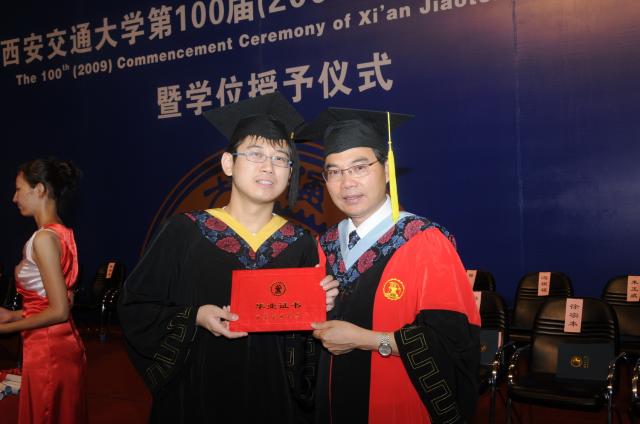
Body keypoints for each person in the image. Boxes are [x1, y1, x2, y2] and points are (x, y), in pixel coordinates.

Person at [118, 93, 339, 423]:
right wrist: (195, 316)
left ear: (290, 172)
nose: (268, 167)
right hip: (197, 397)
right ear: (228, 164)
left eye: (281, 158)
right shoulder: (184, 232)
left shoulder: (300, 243)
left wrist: (320, 306)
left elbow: (307, 347)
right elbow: (136, 307)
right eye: (255, 154)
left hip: (274, 399)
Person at [299, 108, 481, 424]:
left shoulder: (424, 240)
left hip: (399, 405)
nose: (347, 183)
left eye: (359, 167)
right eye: (335, 172)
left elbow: (453, 343)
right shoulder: (323, 245)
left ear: (386, 170)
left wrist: (366, 339)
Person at [0, 158, 87, 423]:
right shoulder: (63, 233)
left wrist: (5, 328)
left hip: (48, 351)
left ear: (39, 189)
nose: (14, 198)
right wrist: (13, 315)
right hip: (56, 345)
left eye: (18, 189)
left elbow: (59, 311)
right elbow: (59, 302)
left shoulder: (44, 239)